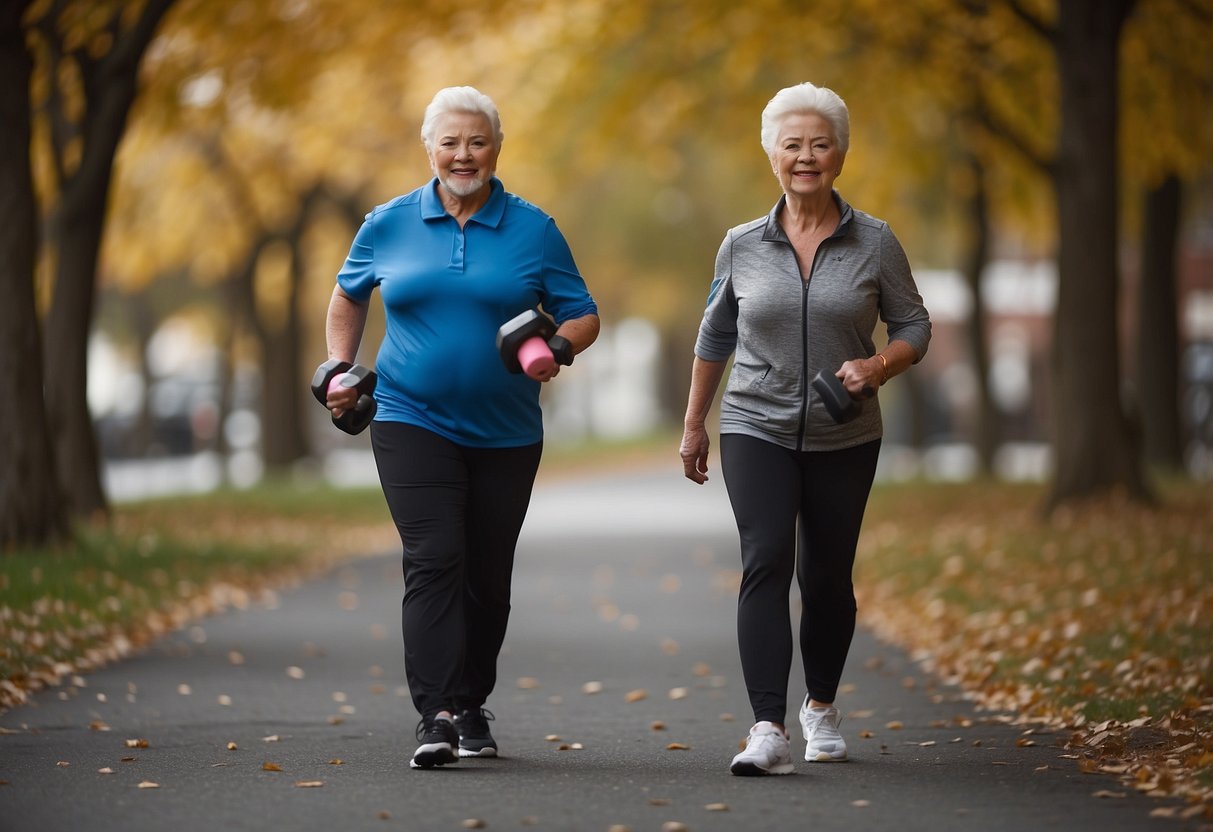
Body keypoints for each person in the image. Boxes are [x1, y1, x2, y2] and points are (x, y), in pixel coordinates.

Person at [323, 86, 600, 769]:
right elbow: (347, 296)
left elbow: (581, 312)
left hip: (506, 430)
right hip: (409, 415)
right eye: (449, 142)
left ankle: (472, 701)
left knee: (487, 575)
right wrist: (338, 367)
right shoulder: (386, 223)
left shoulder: (533, 228)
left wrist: (557, 349)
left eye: (476, 141)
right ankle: (437, 714)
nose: (463, 154)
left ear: (496, 148)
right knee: (434, 558)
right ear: (429, 149)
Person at [679, 82, 931, 776]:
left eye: (819, 145)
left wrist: (877, 365)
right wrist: (694, 424)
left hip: (843, 433)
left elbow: (915, 325)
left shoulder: (874, 241)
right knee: (765, 561)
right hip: (753, 422)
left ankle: (818, 707)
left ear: (840, 155)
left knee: (825, 578)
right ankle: (765, 727)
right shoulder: (739, 245)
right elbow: (714, 336)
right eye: (791, 145)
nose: (805, 157)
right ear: (771, 155)